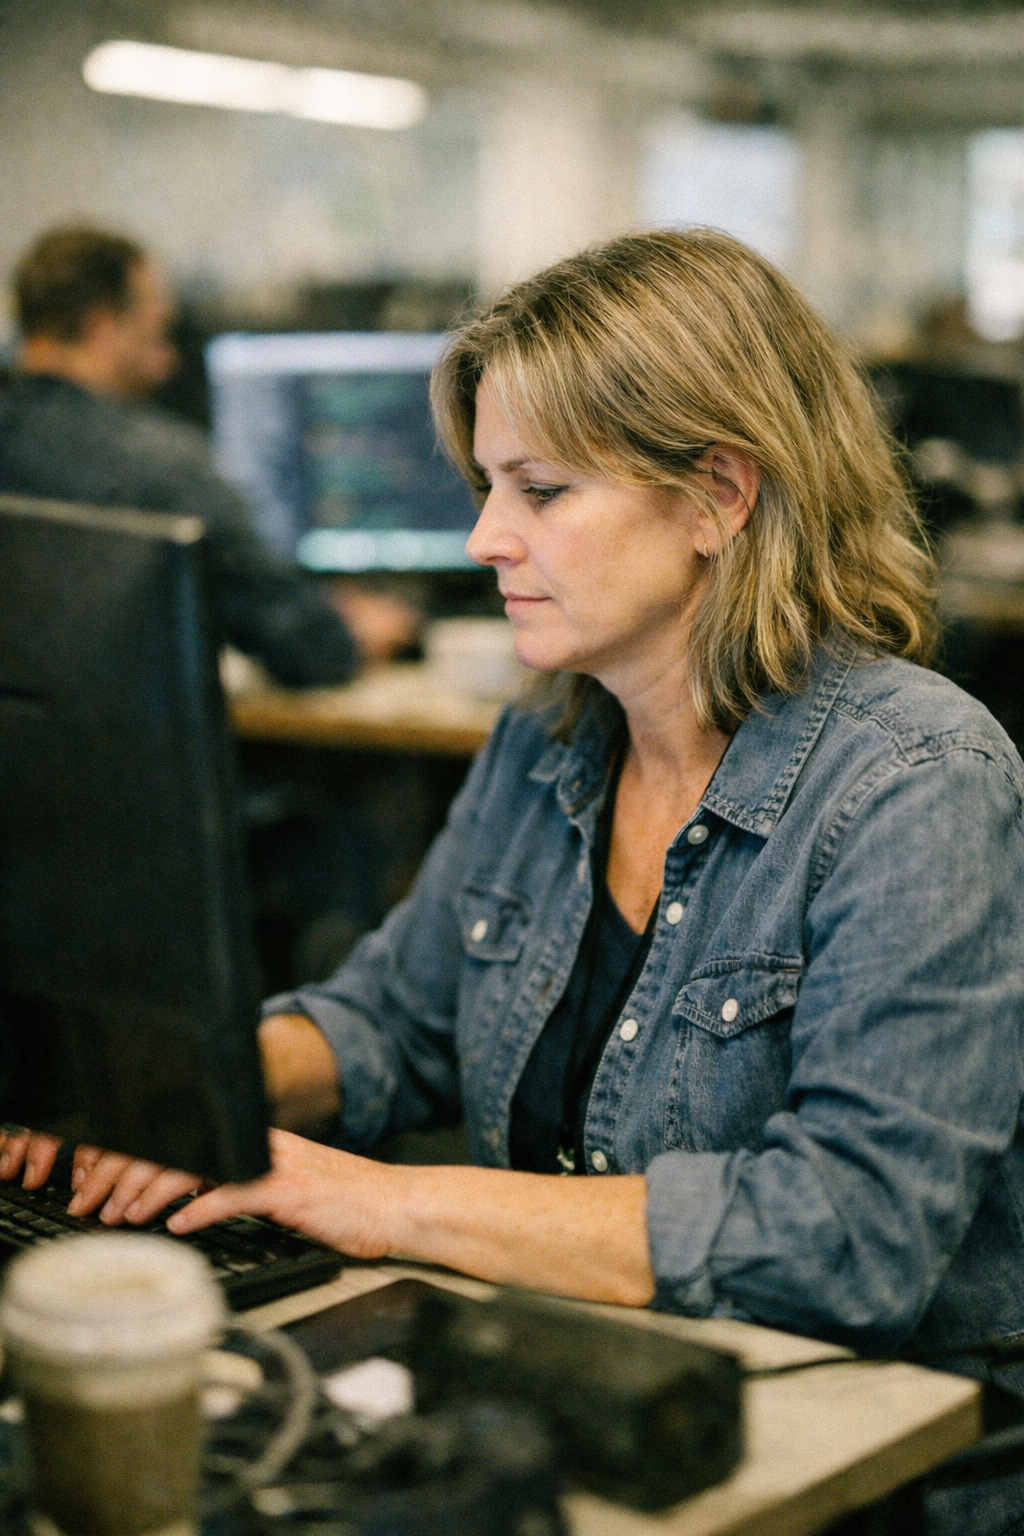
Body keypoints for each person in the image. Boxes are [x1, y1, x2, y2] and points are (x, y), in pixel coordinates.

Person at [7, 230, 1024, 1533]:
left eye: (540, 491)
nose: (485, 536)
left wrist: (376, 1200)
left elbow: (847, 1237)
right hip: (582, 1385)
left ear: (721, 494)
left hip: (868, 1473)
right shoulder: (544, 740)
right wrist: (160, 1104)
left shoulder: (916, 782)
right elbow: (395, 1022)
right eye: (487, 484)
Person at [0, 224, 418, 684]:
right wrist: (359, 628)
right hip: (127, 754)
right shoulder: (160, 465)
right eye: (156, 332)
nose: (170, 361)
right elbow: (305, 647)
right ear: (103, 326)